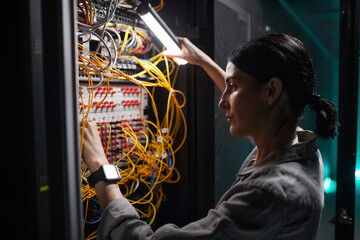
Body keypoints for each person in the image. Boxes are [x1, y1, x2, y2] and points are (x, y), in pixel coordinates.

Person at [82, 33, 338, 239]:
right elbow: (256, 111)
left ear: (271, 91)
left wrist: (100, 167)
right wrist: (206, 63)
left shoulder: (269, 192)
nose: (221, 102)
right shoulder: (298, 147)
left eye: (233, 87)